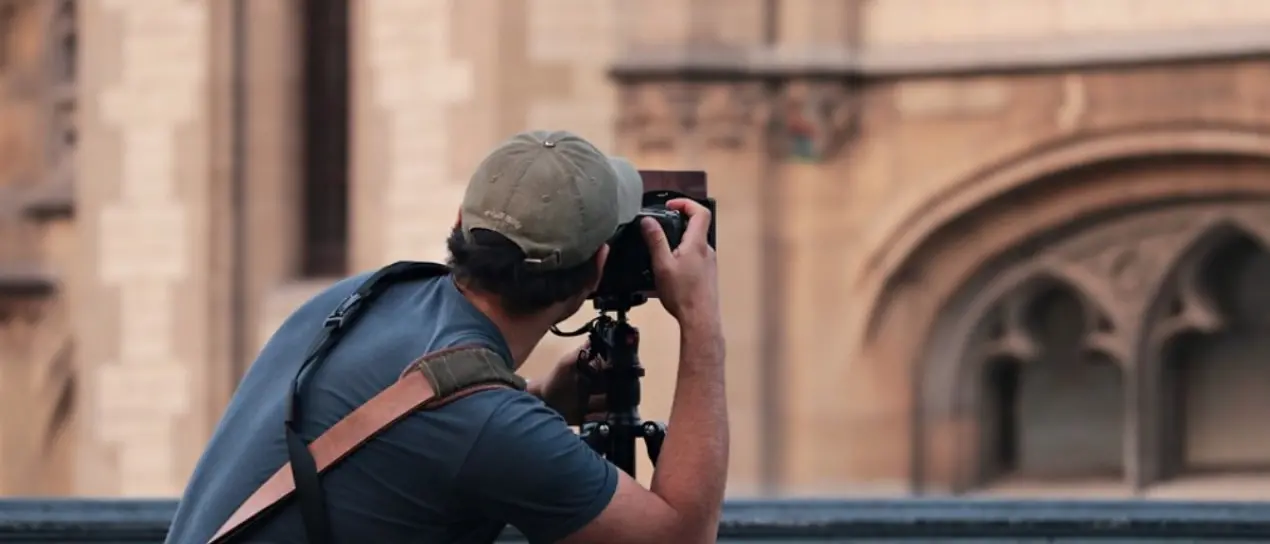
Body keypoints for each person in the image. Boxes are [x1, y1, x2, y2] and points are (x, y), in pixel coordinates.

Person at [164, 130, 728, 543]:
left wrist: (535, 402)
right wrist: (700, 322)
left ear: (461, 222)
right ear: (597, 267)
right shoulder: (487, 425)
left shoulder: (364, 296)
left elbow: (419, 436)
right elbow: (681, 537)